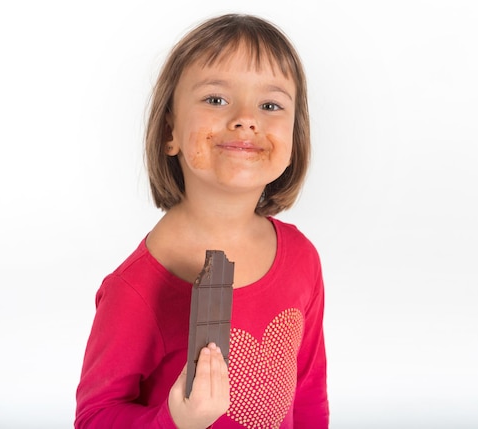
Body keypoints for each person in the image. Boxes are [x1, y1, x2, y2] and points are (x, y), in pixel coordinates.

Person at [74, 13, 329, 429]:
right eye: (216, 99)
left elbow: (309, 393)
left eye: (270, 105)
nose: (247, 118)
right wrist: (176, 420)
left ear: (294, 141)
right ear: (169, 132)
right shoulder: (136, 290)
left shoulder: (302, 258)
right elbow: (94, 418)